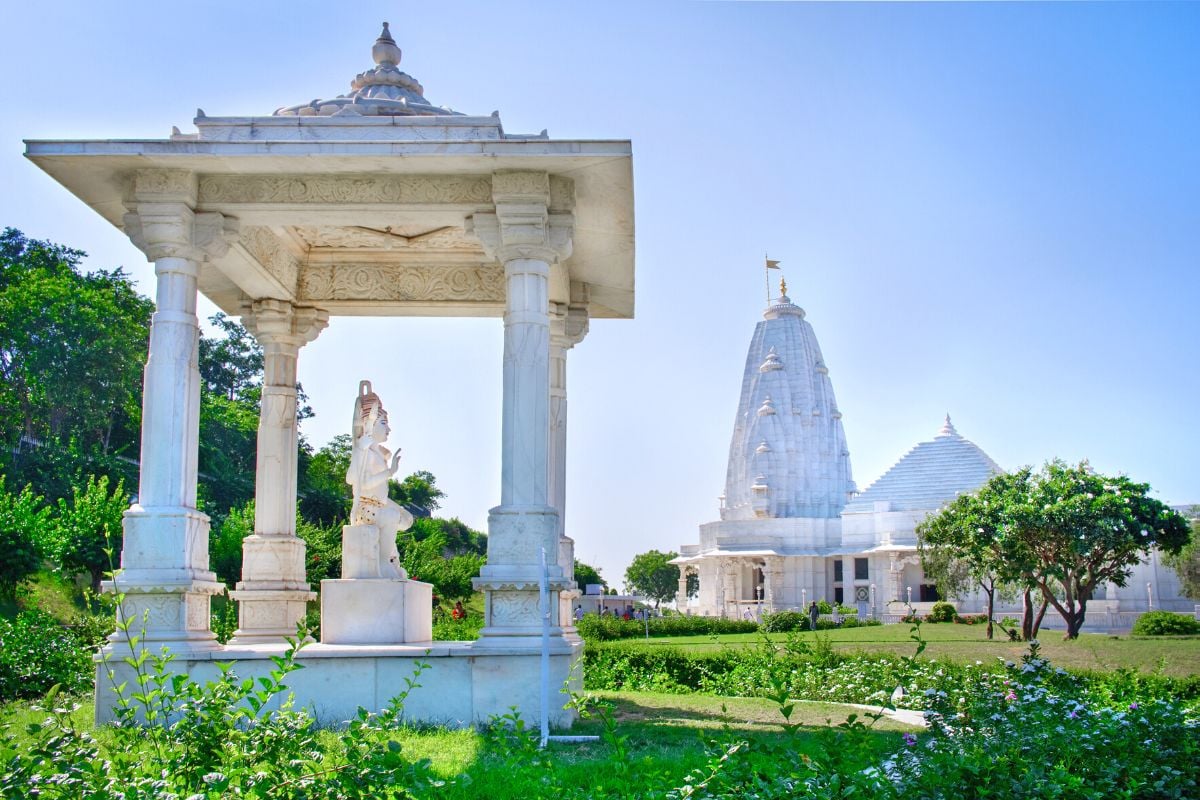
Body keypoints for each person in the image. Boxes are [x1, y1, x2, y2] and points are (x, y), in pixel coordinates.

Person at [346, 380, 413, 579]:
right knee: (391, 518)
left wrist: (398, 507)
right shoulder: (364, 452)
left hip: (378, 505)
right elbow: (354, 480)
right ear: (370, 425)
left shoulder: (376, 454)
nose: (388, 429)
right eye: (384, 424)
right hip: (366, 509)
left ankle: (391, 559)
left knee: (405, 517)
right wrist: (389, 471)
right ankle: (383, 563)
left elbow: (381, 493)